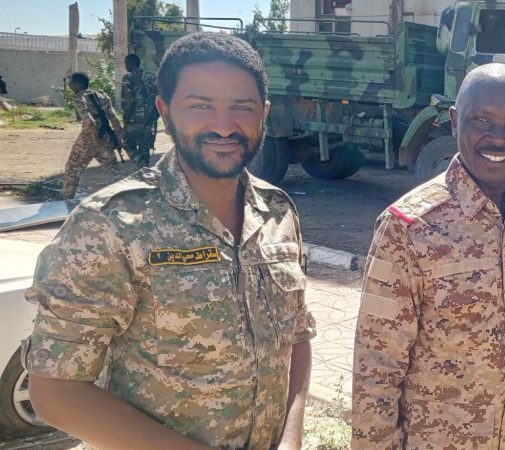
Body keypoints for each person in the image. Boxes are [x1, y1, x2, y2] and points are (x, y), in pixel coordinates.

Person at [25, 32, 316, 450]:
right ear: (164, 111)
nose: (223, 125)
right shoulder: (109, 224)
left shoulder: (278, 212)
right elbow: (56, 392)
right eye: (201, 106)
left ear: (264, 113)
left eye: (242, 107)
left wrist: (291, 438)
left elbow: (297, 336)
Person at [352, 63, 505, 449]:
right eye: (482, 121)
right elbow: (376, 366)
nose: (498, 139)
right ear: (455, 122)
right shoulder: (409, 228)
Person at [61, 71, 124, 200]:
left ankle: (67, 200)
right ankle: (124, 198)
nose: (69, 85)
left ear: (78, 84)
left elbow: (88, 119)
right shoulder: (102, 95)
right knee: (114, 172)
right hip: (105, 138)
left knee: (72, 169)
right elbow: (114, 118)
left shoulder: (79, 98)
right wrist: (119, 138)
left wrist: (93, 138)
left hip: (87, 141)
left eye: (71, 82)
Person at [121, 53, 159, 168]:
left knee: (126, 143)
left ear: (131, 63)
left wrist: (126, 120)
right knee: (145, 147)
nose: (125, 65)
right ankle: (144, 171)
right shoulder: (151, 76)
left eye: (126, 63)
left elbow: (128, 101)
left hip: (134, 119)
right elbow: (159, 96)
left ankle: (140, 164)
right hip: (150, 119)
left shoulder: (127, 78)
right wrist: (155, 115)